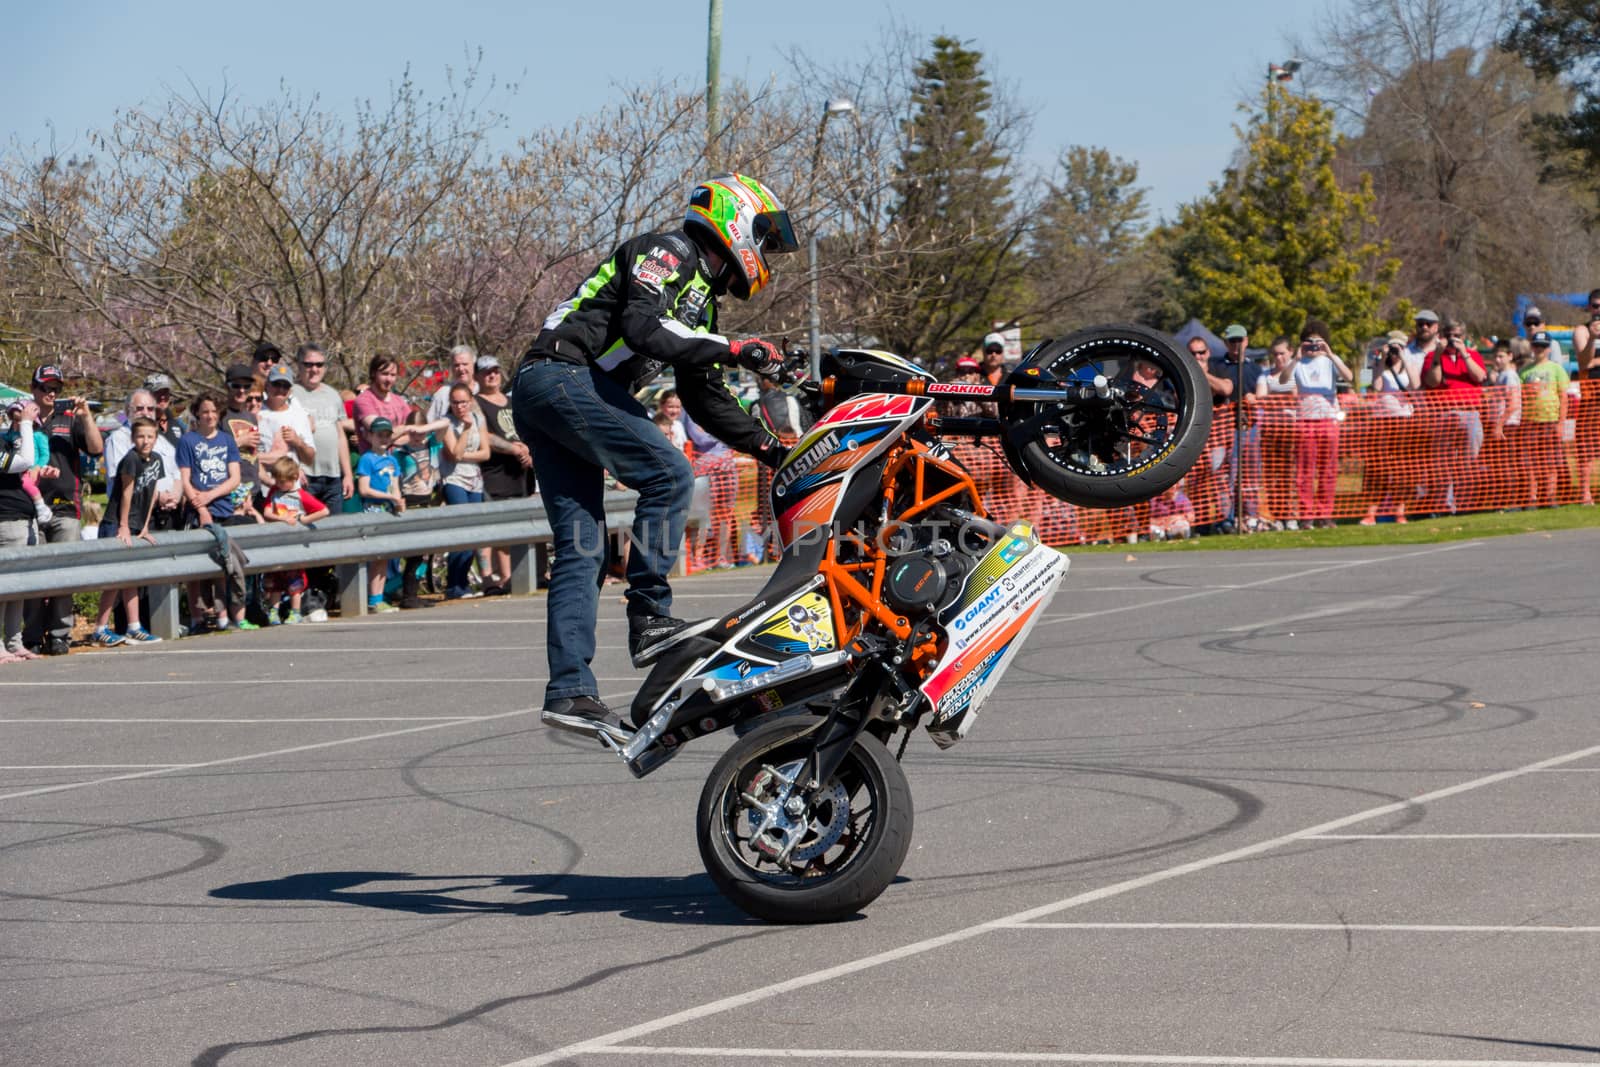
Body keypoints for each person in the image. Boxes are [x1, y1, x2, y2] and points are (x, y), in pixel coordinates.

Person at [513, 172, 794, 738]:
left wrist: (772, 449)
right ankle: (648, 617)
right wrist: (738, 348)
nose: (764, 253)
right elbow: (644, 327)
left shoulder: (703, 309)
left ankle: (569, 691)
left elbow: (704, 396)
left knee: (583, 546)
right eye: (763, 237)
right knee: (669, 472)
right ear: (735, 221)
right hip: (562, 378)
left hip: (560, 393)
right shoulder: (669, 250)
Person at [26, 364, 104, 655]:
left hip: (65, 508)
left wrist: (87, 417)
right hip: (30, 508)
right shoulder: (23, 419)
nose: (51, 393)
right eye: (46, 387)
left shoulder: (69, 418)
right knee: (32, 575)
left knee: (63, 574)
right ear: (34, 388)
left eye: (56, 388)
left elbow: (96, 448)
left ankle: (60, 634)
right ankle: (32, 634)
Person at [176, 394, 254, 633]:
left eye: (213, 411)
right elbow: (185, 480)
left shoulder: (227, 441)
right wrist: (200, 507)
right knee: (196, 571)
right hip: (197, 511)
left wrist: (210, 496)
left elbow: (235, 478)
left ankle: (222, 615)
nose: (209, 416)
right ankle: (197, 618)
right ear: (197, 414)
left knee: (223, 565)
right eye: (204, 411)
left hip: (222, 507)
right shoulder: (188, 441)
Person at [91, 417, 165, 647]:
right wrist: (123, 525)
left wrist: (144, 526)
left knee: (130, 576)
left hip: (136, 524)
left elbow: (152, 492)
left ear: (156, 438)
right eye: (141, 436)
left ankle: (134, 626)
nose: (146, 441)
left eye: (150, 436)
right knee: (115, 577)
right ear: (133, 438)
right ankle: (100, 628)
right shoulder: (130, 460)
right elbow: (126, 493)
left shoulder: (156, 459)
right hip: (117, 522)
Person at [474, 353, 533, 595]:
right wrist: (513, 449)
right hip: (494, 472)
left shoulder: (511, 401)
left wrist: (528, 449)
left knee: (520, 526)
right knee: (498, 527)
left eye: (496, 370)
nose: (492, 375)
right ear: (478, 376)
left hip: (520, 473)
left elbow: (527, 429)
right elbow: (482, 434)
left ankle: (516, 576)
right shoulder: (477, 402)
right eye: (487, 371)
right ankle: (496, 578)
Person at [1290, 320, 1352, 528]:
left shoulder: (1329, 361)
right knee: (1305, 470)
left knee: (1328, 469)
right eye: (1310, 341)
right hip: (1305, 421)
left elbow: (1349, 376)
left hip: (1328, 420)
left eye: (1318, 341)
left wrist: (1330, 353)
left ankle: (1325, 514)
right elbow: (1281, 380)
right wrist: (1296, 357)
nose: (1314, 346)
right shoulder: (1299, 362)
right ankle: (1306, 515)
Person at [1, 399, 49, 663]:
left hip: (23, 520)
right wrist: (28, 423)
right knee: (4, 585)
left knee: (16, 586)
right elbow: (27, 460)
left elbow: (31, 463)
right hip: (6, 521)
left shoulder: (6, 440)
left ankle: (13, 641)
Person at [259, 456, 330, 623]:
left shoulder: (300, 496)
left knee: (294, 581)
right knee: (274, 580)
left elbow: (324, 511)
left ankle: (295, 611)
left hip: (294, 546)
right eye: (278, 481)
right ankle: (274, 611)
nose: (281, 485)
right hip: (276, 545)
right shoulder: (274, 493)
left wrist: (305, 520)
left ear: (294, 478)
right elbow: (267, 512)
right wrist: (283, 520)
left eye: (284, 481)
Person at [104, 389, 182, 533]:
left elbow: (177, 474)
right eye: (139, 408)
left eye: (150, 409)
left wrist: (175, 496)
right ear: (127, 412)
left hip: (163, 517)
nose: (146, 412)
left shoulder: (162, 441)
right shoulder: (118, 439)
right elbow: (122, 483)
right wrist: (159, 497)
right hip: (129, 520)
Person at [439, 383, 490, 599]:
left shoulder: (479, 419)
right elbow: (453, 454)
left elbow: (485, 453)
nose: (460, 406)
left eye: (464, 402)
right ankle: (454, 584)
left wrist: (464, 454)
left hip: (475, 480)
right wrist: (467, 429)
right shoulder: (447, 423)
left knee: (473, 534)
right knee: (461, 531)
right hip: (454, 479)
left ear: (471, 401)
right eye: (455, 402)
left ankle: (465, 583)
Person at [1362, 332, 1418, 525]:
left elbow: (1415, 385)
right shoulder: (1378, 364)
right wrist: (1383, 358)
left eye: (1398, 347)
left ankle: (1400, 511)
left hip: (1403, 420)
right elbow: (1374, 386)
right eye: (1392, 347)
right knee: (1377, 468)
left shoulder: (1408, 364)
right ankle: (1371, 513)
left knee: (1403, 468)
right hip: (1381, 421)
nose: (1395, 351)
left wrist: (1404, 358)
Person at [396, 407, 447, 609]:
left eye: (421, 433)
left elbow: (445, 424)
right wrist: (406, 429)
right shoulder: (402, 452)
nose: (417, 437)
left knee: (425, 552)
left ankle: (414, 592)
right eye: (413, 434)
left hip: (428, 501)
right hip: (410, 501)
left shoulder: (432, 446)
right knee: (414, 553)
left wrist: (425, 428)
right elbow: (390, 437)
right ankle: (408, 595)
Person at [355, 417, 405, 613]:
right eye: (379, 435)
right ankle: (373, 598)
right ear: (370, 436)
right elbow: (364, 489)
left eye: (387, 435)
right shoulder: (367, 459)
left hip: (388, 509)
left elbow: (395, 485)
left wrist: (398, 500)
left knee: (384, 557)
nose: (383, 439)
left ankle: (379, 597)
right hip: (373, 509)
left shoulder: (392, 459)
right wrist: (388, 496)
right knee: (376, 555)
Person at [1519, 331, 1569, 508]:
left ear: (1549, 348)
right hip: (1530, 422)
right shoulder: (1524, 371)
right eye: (1536, 345)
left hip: (1551, 421)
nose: (1539, 349)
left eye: (1543, 346)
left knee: (1550, 461)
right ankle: (1532, 497)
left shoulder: (1557, 369)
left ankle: (1550, 496)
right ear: (1532, 347)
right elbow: (1520, 397)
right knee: (1530, 461)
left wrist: (1561, 424)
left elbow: (1564, 397)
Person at [1254, 337, 1300, 528]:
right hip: (1270, 430)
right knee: (1271, 475)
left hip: (1291, 429)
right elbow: (1260, 398)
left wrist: (1273, 398)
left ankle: (1289, 514)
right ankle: (1276, 514)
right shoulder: (1265, 376)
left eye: (1282, 353)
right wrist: (1284, 398)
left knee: (1288, 474)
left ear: (1290, 352)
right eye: (1275, 354)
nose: (1278, 357)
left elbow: (1297, 398)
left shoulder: (1297, 373)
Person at [255, 363, 316, 482]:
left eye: (285, 386)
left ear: (290, 391)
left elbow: (309, 460)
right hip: (259, 486)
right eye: (276, 384)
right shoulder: (256, 411)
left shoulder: (299, 415)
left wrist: (298, 442)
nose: (281, 389)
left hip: (289, 487)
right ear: (267, 386)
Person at [353, 354, 416, 454]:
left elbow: (417, 429)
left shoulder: (399, 401)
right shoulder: (363, 400)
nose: (389, 379)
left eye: (393, 375)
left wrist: (394, 438)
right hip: (375, 465)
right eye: (385, 374)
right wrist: (406, 428)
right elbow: (381, 432)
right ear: (373, 373)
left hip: (399, 464)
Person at [428, 345, 479, 421]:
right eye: (456, 365)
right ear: (452, 368)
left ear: (474, 365)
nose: (461, 369)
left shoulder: (483, 391)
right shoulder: (443, 394)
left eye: (465, 364)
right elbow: (430, 424)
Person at [142, 373, 186, 448]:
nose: (162, 397)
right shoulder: (137, 419)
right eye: (158, 392)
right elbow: (116, 420)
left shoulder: (177, 423)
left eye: (165, 392)